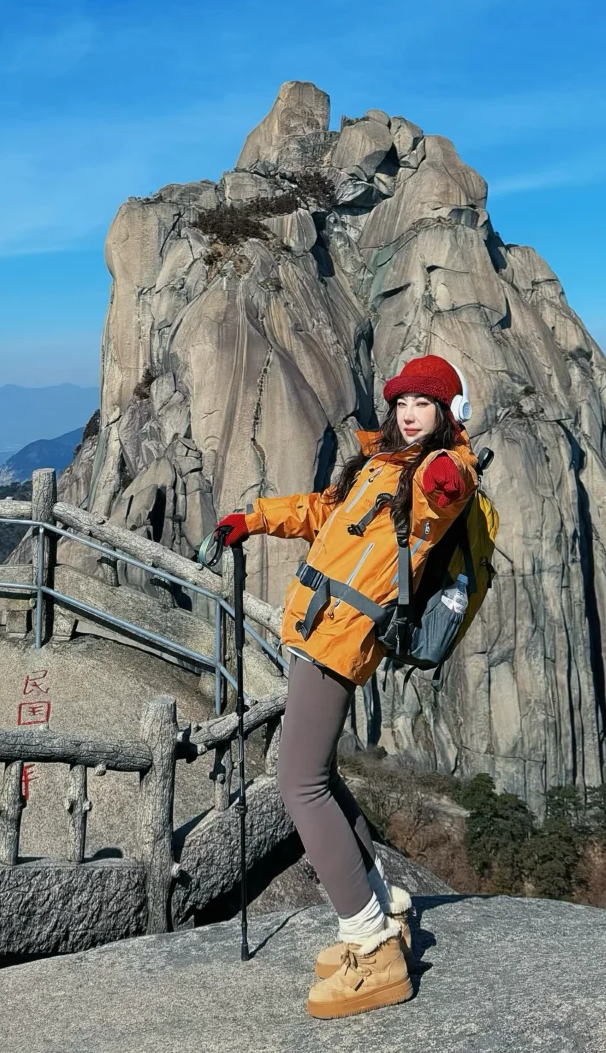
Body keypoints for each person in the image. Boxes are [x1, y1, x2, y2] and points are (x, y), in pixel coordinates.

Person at [213, 355, 477, 1019]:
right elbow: (322, 516)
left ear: (447, 411)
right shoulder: (377, 466)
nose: (412, 412)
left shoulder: (434, 476)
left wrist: (457, 450)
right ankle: (385, 908)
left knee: (297, 784)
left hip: (342, 640)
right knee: (320, 777)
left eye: (427, 403)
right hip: (314, 626)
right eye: (405, 402)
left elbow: (449, 493)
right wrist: (255, 519)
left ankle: (369, 942)